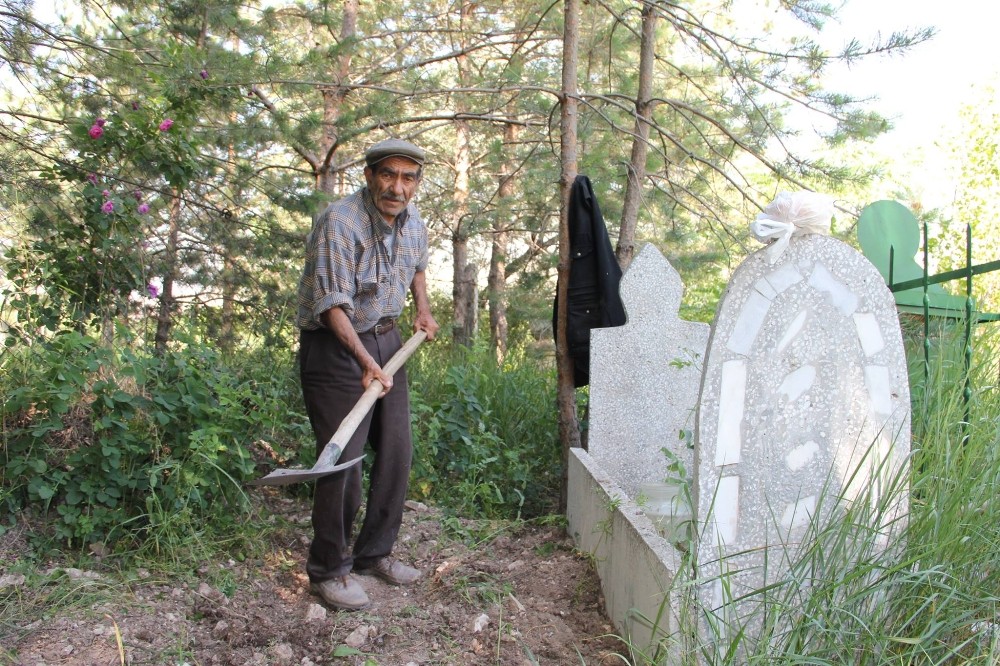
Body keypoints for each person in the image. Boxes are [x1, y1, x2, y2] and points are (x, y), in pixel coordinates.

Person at [295, 138, 439, 610]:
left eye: (408, 177)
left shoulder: (413, 220)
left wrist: (422, 309)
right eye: (388, 175)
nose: (397, 187)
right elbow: (332, 304)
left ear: (416, 182)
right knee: (344, 463)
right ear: (370, 175)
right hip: (336, 348)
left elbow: (416, 265)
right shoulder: (340, 222)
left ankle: (373, 553)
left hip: (388, 340)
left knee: (397, 451)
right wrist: (364, 362)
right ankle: (328, 569)